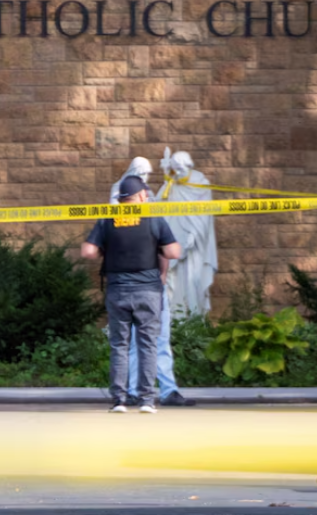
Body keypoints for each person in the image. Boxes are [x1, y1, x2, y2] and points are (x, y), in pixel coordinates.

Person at [81, 175, 182, 414]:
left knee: (119, 345)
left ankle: (119, 400)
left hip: (118, 291)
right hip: (148, 291)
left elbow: (88, 251)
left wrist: (106, 248)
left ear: (122, 198)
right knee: (147, 344)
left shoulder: (107, 219)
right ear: (141, 196)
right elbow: (173, 251)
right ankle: (147, 400)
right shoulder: (152, 218)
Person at [113, 157, 196, 407]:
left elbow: (165, 250)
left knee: (158, 340)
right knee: (134, 342)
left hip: (150, 287)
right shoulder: (117, 217)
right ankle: (133, 391)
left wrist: (161, 276)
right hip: (131, 287)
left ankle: (167, 389)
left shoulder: (154, 217)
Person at [157, 148, 218, 318]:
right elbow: (158, 206)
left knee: (193, 281)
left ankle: (194, 316)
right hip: (174, 242)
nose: (176, 172)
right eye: (174, 168)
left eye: (179, 168)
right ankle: (176, 318)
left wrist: (194, 234)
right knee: (173, 281)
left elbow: (204, 216)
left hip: (195, 245)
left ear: (187, 166)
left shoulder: (200, 183)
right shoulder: (172, 183)